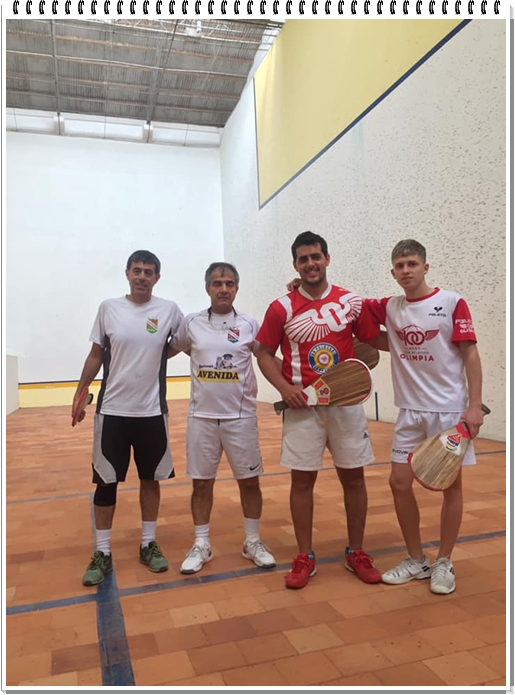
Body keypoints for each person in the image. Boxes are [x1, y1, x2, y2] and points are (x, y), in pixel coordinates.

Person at [256, 231, 382, 590]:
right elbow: (263, 352)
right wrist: (285, 389)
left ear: (327, 258)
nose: (310, 264)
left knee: (354, 480)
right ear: (295, 265)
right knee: (302, 482)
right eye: (303, 259)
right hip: (302, 409)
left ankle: (356, 552)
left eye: (316, 257)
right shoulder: (281, 307)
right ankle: (304, 556)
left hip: (346, 406)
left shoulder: (350, 302)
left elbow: (372, 340)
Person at [366, 239, 484, 594]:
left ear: (425, 267)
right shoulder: (390, 307)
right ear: (392, 272)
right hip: (409, 412)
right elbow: (349, 307)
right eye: (400, 266)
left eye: (412, 264)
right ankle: (416, 560)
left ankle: (444, 561)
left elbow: (470, 354)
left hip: (448, 411)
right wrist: (298, 286)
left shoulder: (451, 302)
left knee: (451, 485)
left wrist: (474, 405)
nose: (406, 271)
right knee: (399, 482)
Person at [73, 250, 184, 586]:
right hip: (112, 412)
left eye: (149, 272)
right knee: (105, 482)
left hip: (152, 413)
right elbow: (96, 354)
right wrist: (80, 393)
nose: (142, 277)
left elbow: (184, 340)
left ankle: (148, 544)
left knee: (150, 480)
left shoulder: (169, 310)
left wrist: (156, 354)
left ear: (157, 278)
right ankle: (102, 552)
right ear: (127, 273)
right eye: (137, 270)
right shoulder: (109, 308)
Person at [171, 262, 276, 574]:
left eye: (229, 283)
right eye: (217, 283)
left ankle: (252, 541)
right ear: (208, 288)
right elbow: (171, 349)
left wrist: (300, 380)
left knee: (250, 482)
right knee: (201, 484)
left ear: (237, 288)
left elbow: (266, 357)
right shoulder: (191, 323)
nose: (223, 289)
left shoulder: (249, 324)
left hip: (240, 418)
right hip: (201, 418)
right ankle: (201, 544)